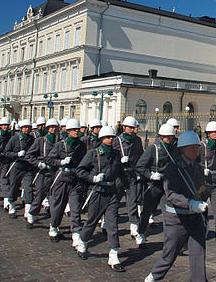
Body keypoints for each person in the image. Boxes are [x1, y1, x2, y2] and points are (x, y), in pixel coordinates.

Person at [144, 131, 210, 282]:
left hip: (195, 218)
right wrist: (189, 203)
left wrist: (203, 196)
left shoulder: (198, 168)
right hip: (177, 219)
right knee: (170, 254)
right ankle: (154, 276)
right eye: (191, 148)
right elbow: (171, 194)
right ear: (182, 149)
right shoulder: (173, 168)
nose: (195, 151)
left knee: (198, 254)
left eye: (196, 147)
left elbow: (202, 190)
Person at [75, 125, 127, 271]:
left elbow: (120, 172)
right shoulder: (94, 153)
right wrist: (93, 178)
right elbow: (80, 170)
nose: (110, 139)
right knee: (92, 221)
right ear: (101, 138)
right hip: (98, 191)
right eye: (108, 137)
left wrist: (127, 186)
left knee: (112, 224)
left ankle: (114, 255)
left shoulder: (116, 154)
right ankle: (83, 242)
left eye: (112, 137)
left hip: (111, 192)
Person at [46, 119, 87, 246]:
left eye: (77, 129)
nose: (77, 131)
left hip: (75, 179)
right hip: (62, 178)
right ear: (68, 131)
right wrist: (61, 162)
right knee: (58, 206)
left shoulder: (81, 145)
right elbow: (49, 159)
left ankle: (76, 233)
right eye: (74, 130)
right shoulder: (60, 145)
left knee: (75, 208)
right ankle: (53, 227)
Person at [135, 123, 177, 248]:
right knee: (147, 211)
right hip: (153, 185)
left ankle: (170, 239)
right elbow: (140, 166)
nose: (169, 139)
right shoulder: (152, 149)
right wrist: (150, 175)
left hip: (167, 185)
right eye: (166, 137)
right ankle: (141, 233)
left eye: (171, 137)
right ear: (161, 136)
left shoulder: (174, 149)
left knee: (169, 212)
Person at [112, 116, 144, 239]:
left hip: (132, 174)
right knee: (115, 199)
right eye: (129, 127)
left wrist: (139, 171)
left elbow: (140, 156)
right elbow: (111, 158)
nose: (132, 129)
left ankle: (134, 226)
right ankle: (107, 222)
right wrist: (119, 160)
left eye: (133, 127)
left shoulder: (137, 140)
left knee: (133, 201)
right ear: (124, 127)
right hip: (120, 174)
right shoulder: (117, 141)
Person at [24, 118, 59, 228]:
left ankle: (54, 224)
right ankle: (32, 213)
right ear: (48, 129)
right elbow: (29, 155)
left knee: (55, 198)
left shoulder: (60, 141)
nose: (53, 129)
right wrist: (38, 163)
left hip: (56, 172)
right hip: (44, 172)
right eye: (51, 127)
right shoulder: (40, 140)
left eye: (55, 127)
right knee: (40, 196)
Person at [4, 119, 35, 218]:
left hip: (28, 167)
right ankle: (12, 206)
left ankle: (28, 211)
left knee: (28, 187)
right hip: (16, 165)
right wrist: (16, 154)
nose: (27, 129)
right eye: (24, 127)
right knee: (14, 186)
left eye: (28, 127)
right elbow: (6, 152)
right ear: (21, 129)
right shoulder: (14, 139)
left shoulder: (32, 139)